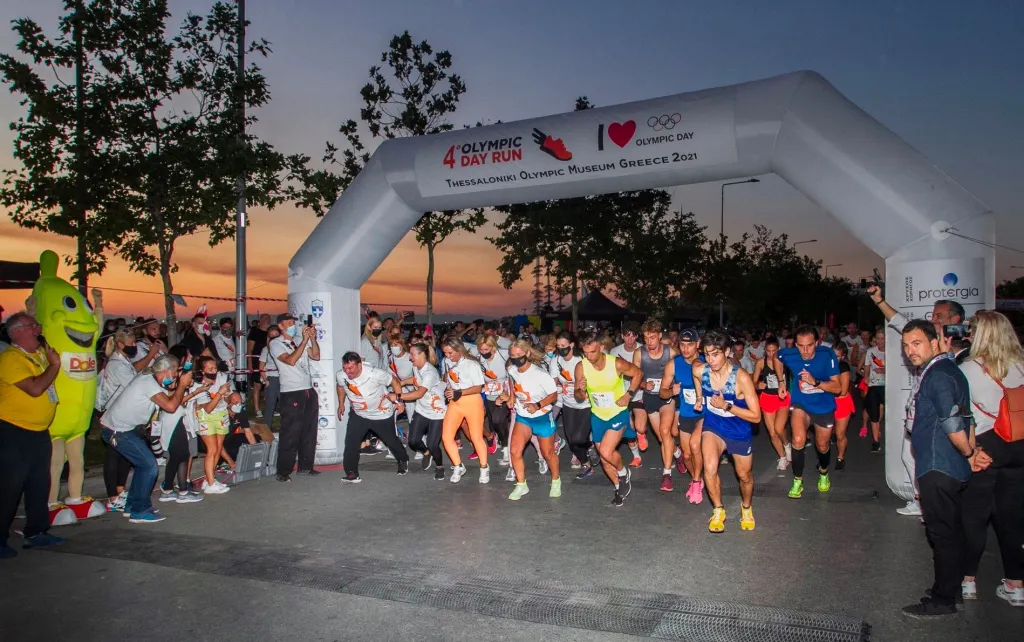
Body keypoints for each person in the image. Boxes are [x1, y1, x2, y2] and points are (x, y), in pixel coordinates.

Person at [898, 319, 978, 618]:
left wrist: (969, 452)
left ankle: (943, 600)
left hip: (938, 464)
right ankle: (950, 587)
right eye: (906, 346)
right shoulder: (944, 369)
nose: (910, 351)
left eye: (916, 343)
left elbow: (953, 422)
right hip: (945, 463)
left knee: (942, 533)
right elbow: (967, 416)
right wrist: (970, 452)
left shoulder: (939, 375)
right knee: (949, 531)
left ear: (935, 342)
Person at [866, 284, 966, 516]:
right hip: (918, 414)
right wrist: (879, 301)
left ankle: (935, 505)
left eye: (938, 316)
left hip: (942, 417)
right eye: (932, 315)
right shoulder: (926, 336)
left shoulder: (960, 343)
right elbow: (901, 322)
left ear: (956, 319)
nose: (933, 319)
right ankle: (921, 501)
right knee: (908, 456)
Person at [958, 310, 1024, 607]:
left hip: (986, 446)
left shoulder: (969, 368)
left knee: (974, 516)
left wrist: (970, 451)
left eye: (972, 330)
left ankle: (968, 581)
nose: (968, 335)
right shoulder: (1022, 365)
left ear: (982, 334)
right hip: (1019, 447)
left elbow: (962, 414)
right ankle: (1015, 584)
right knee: (1011, 519)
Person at [100, 354, 194, 523]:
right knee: (149, 466)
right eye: (173, 374)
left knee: (143, 465)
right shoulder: (148, 383)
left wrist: (178, 385)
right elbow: (171, 406)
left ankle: (133, 506)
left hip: (125, 429)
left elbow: (169, 398)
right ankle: (139, 511)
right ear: (165, 371)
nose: (174, 377)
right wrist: (182, 385)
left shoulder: (151, 379)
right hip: (117, 430)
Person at [0, 312, 64, 558]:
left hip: (38, 431)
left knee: (39, 484)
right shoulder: (10, 359)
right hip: (14, 431)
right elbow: (36, 388)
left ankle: (36, 532)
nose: (38, 328)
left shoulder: (37, 354)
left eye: (37, 324)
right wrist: (54, 365)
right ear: (16, 331)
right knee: (9, 488)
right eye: (31, 326)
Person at [692, 330, 761, 533]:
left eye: (716, 354)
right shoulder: (701, 371)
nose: (711, 360)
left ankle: (746, 507)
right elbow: (694, 372)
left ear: (727, 352)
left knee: (744, 475)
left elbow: (756, 416)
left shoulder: (741, 378)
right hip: (713, 427)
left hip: (738, 429)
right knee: (710, 468)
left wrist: (727, 406)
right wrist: (698, 397)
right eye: (707, 354)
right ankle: (718, 510)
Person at [574, 331, 644, 507]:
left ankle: (623, 473)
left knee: (605, 451)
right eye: (585, 352)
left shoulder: (616, 364)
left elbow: (638, 374)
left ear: (601, 347)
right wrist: (581, 390)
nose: (589, 356)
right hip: (598, 416)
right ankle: (619, 486)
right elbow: (579, 396)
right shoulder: (581, 367)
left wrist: (629, 395)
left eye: (593, 352)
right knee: (605, 460)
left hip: (617, 413)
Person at [774, 326, 841, 499]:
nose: (805, 351)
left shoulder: (827, 355)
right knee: (797, 439)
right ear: (796, 344)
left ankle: (824, 472)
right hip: (801, 403)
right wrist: (781, 382)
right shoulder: (789, 354)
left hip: (823, 405)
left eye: (809, 346)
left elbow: (837, 387)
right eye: (801, 346)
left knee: (823, 445)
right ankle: (797, 480)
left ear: (817, 343)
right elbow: (777, 357)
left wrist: (815, 382)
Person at [337, 351, 410, 482]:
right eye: (345, 368)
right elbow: (340, 386)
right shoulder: (341, 375)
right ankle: (352, 473)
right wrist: (341, 403)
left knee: (391, 440)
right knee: (351, 443)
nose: (348, 372)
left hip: (380, 414)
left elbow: (394, 381)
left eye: (351, 368)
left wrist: (399, 402)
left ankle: (403, 459)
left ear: (359, 365)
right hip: (359, 414)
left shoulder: (374, 373)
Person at [502, 339, 561, 500]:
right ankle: (521, 485)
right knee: (514, 451)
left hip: (542, 417)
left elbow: (554, 395)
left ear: (527, 353)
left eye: (519, 355)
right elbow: (511, 380)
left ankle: (556, 480)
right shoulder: (511, 369)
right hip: (523, 417)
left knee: (548, 453)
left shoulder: (540, 374)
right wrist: (511, 397)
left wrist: (538, 405)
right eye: (512, 355)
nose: (515, 358)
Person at [269, 313, 321, 482]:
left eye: (294, 322)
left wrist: (312, 339)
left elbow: (316, 355)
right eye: (289, 323)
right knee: (290, 432)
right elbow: (290, 360)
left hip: (307, 389)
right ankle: (283, 471)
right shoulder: (276, 344)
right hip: (292, 392)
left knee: (309, 430)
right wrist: (305, 341)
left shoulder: (298, 339)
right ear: (281, 326)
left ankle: (306, 466)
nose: (293, 325)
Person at [95, 329, 141, 511]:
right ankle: (112, 497)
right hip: (114, 416)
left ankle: (120, 491)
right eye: (132, 343)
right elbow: (134, 386)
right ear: (120, 344)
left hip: (124, 415)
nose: (135, 346)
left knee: (124, 455)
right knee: (113, 456)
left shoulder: (124, 360)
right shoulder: (116, 364)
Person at [659, 328, 706, 503]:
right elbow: (662, 393)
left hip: (705, 414)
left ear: (698, 344)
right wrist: (671, 391)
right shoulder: (674, 364)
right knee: (686, 455)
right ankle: (698, 478)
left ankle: (695, 482)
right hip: (686, 413)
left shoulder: (706, 361)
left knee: (695, 446)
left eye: (690, 344)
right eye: (683, 344)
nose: (686, 349)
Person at [633, 320, 677, 492]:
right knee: (662, 437)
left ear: (660, 336)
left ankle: (667, 475)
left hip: (667, 397)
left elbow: (683, 369)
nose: (649, 341)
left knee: (666, 432)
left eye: (652, 337)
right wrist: (644, 384)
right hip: (650, 398)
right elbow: (635, 375)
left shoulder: (670, 352)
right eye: (646, 338)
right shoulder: (639, 353)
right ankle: (678, 454)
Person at [156, 345, 204, 504]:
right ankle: (183, 491)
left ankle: (168, 489)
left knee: (177, 457)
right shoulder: (168, 379)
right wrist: (190, 389)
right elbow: (174, 401)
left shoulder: (176, 374)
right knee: (182, 455)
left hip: (177, 418)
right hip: (171, 419)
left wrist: (188, 369)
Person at [440, 335, 489, 483]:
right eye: (445, 353)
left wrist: (459, 392)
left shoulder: (472, 364)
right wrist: (449, 389)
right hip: (455, 403)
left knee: (476, 437)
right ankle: (458, 465)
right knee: (446, 437)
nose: (448, 356)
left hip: (472, 402)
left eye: (450, 353)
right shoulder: (448, 362)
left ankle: (484, 467)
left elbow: (478, 387)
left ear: (459, 349)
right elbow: (449, 380)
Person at [400, 343, 448, 480]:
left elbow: (420, 393)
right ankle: (426, 452)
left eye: (412, 354)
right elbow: (416, 379)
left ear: (422, 355)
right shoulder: (416, 367)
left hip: (437, 412)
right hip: (422, 409)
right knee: (413, 441)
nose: (410, 357)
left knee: (433, 445)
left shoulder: (430, 372)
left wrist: (399, 396)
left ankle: (439, 466)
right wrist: (403, 382)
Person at [552, 332, 594, 478]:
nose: (560, 348)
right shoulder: (556, 359)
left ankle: (588, 449)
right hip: (568, 404)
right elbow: (555, 379)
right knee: (572, 440)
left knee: (578, 438)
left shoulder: (582, 359)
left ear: (571, 345)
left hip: (586, 405)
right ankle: (586, 463)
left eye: (563, 345)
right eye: (558, 346)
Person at [191, 356, 234, 494]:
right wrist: (219, 393)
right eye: (210, 369)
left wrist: (226, 395)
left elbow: (227, 399)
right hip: (206, 417)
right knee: (212, 449)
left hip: (221, 414)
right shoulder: (199, 385)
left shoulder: (221, 377)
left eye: (214, 368)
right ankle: (210, 484)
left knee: (218, 448)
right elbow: (208, 408)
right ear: (202, 371)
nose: (213, 371)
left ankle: (209, 478)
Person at [753, 337, 791, 472]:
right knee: (773, 433)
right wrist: (758, 385)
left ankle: (787, 445)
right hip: (767, 398)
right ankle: (782, 457)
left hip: (782, 397)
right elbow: (753, 382)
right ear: (765, 350)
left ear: (778, 350)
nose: (771, 354)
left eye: (773, 351)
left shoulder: (784, 362)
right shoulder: (760, 363)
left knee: (779, 428)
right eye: (768, 351)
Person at [610, 322, 644, 466]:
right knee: (628, 426)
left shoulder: (643, 350)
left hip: (640, 393)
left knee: (640, 427)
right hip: (622, 394)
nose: (630, 340)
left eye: (633, 336)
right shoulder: (614, 352)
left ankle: (641, 434)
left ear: (636, 336)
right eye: (627, 336)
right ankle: (637, 457)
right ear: (622, 336)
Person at [476, 335, 510, 465]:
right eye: (481, 350)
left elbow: (514, 346)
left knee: (498, 419)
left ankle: (507, 450)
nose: (484, 352)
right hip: (489, 394)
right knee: (494, 424)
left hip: (504, 393)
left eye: (486, 349)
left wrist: (499, 337)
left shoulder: (503, 354)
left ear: (493, 347)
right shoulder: (480, 359)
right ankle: (504, 440)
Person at [859, 330, 886, 452]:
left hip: (888, 386)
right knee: (873, 413)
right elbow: (868, 365)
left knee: (885, 411)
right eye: (878, 338)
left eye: (883, 338)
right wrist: (866, 376)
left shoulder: (892, 351)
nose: (880, 341)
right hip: (874, 385)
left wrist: (885, 371)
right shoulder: (871, 352)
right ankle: (875, 441)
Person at [831, 342, 855, 471]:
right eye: (832, 355)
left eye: (837, 356)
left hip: (841, 402)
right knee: (825, 433)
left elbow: (843, 390)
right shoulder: (826, 365)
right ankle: (824, 458)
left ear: (843, 356)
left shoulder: (843, 367)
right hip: (828, 402)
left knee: (840, 434)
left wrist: (822, 386)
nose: (834, 358)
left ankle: (840, 457)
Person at [247, 314, 271, 418]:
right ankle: (257, 409)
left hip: (269, 362)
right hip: (257, 362)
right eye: (264, 318)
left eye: (268, 319)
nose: (267, 320)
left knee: (268, 385)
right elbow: (250, 350)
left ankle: (269, 408)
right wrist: (250, 364)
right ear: (260, 321)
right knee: (257, 386)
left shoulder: (271, 333)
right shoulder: (254, 332)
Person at [258, 325, 281, 422]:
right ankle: (267, 432)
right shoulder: (266, 350)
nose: (274, 338)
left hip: (284, 378)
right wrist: (266, 381)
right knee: (270, 406)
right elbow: (261, 367)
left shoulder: (285, 347)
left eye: (276, 335)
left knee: (286, 406)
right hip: (272, 379)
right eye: (272, 336)